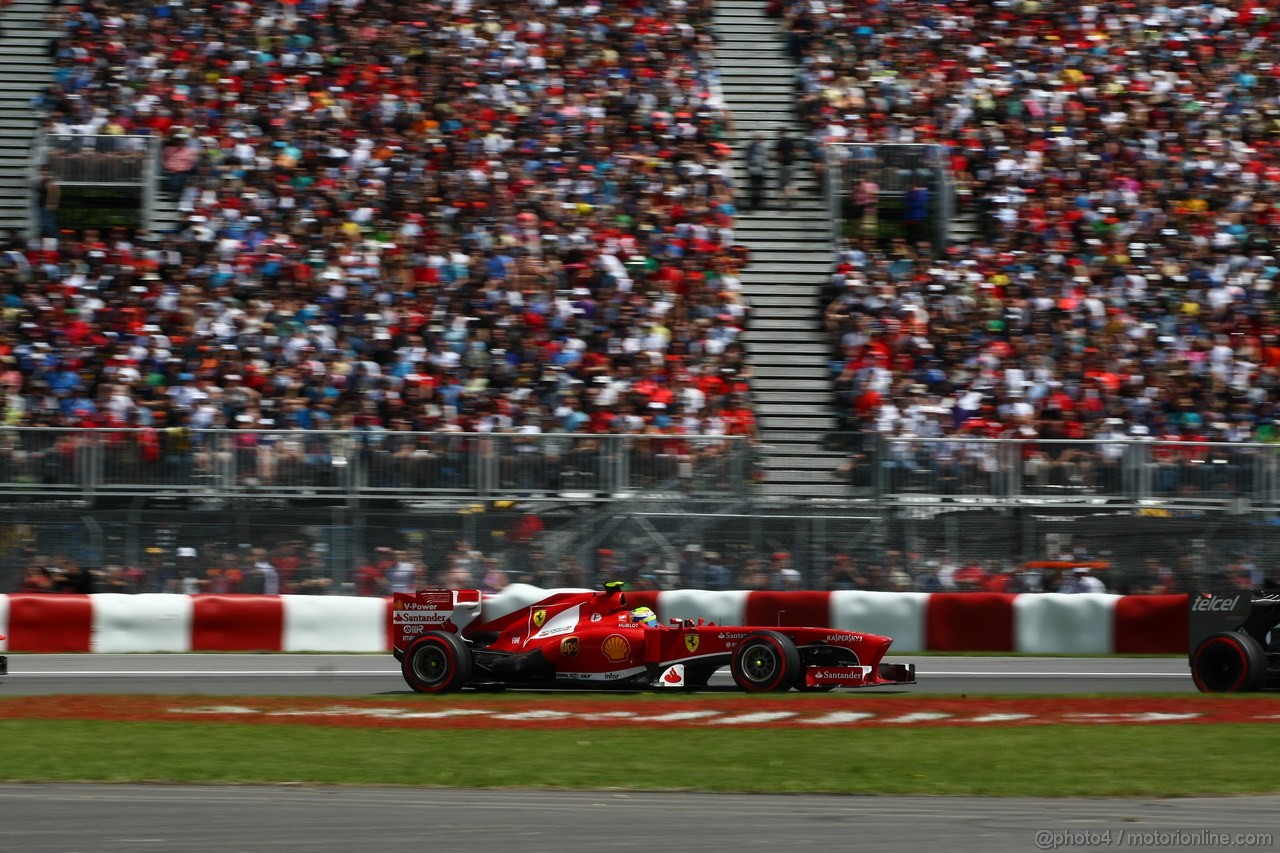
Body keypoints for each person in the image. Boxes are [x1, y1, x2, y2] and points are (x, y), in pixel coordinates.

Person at [744, 132, 769, 210]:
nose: (759, 140)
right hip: (754, 169)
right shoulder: (751, 146)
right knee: (754, 187)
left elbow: (765, 157)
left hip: (760, 170)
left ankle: (757, 203)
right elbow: (748, 157)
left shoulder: (763, 146)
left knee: (758, 187)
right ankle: (754, 203)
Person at [775, 129, 798, 208]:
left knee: (783, 183)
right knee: (790, 183)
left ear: (780, 134)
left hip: (784, 165)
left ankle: (784, 200)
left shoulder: (780, 142)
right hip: (791, 164)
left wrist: (778, 161)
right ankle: (789, 199)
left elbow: (779, 154)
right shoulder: (790, 141)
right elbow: (794, 152)